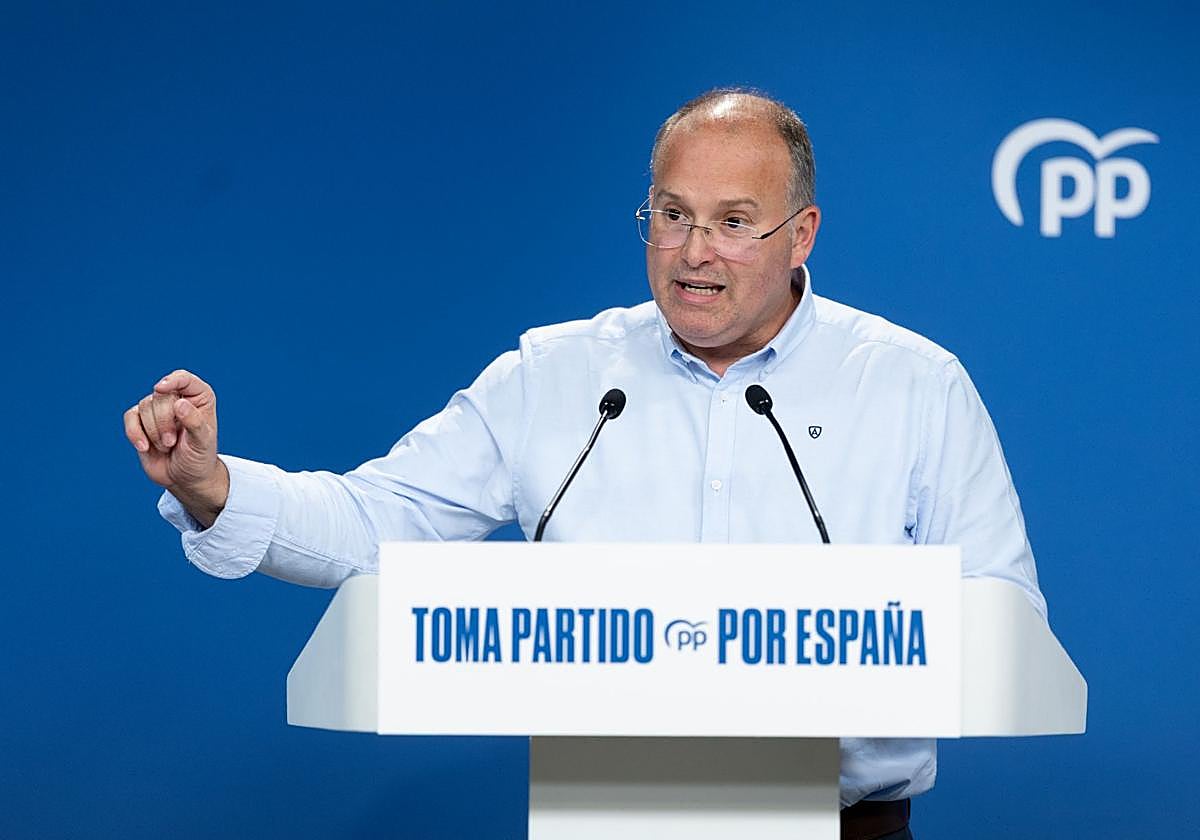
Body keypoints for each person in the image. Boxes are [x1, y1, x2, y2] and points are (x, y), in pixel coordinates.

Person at [124, 89, 1045, 840]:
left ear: (801, 235)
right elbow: (377, 523)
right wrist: (214, 487)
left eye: (733, 222)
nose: (694, 253)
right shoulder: (557, 375)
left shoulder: (913, 384)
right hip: (605, 821)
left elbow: (1003, 621)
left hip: (843, 828)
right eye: (673, 215)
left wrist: (826, 642)